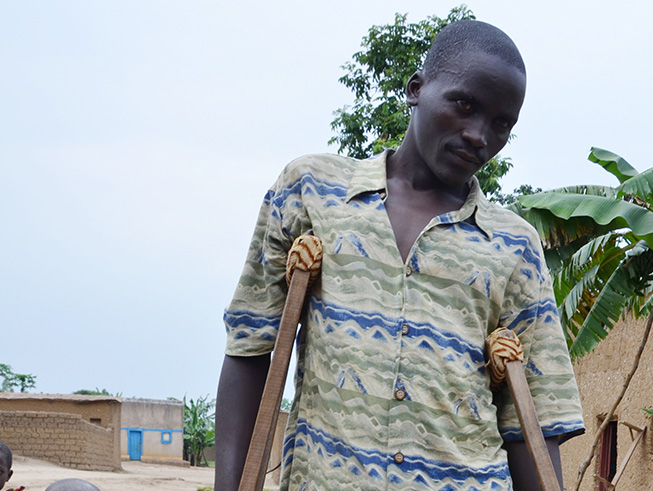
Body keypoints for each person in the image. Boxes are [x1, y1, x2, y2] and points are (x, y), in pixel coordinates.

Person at [215, 19, 585, 491]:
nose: (479, 135)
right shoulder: (312, 191)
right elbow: (250, 346)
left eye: (501, 124)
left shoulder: (514, 245)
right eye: (464, 105)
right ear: (416, 89)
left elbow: (533, 422)